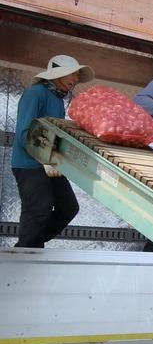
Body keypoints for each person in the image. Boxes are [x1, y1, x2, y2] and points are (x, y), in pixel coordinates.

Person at [10, 55, 93, 248]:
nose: (75, 80)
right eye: (72, 75)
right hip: (29, 164)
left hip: (50, 163)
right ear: (58, 74)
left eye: (77, 76)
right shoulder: (35, 94)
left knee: (69, 207)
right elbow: (25, 133)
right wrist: (45, 159)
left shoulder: (57, 99)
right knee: (38, 209)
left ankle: (32, 244)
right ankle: (25, 251)